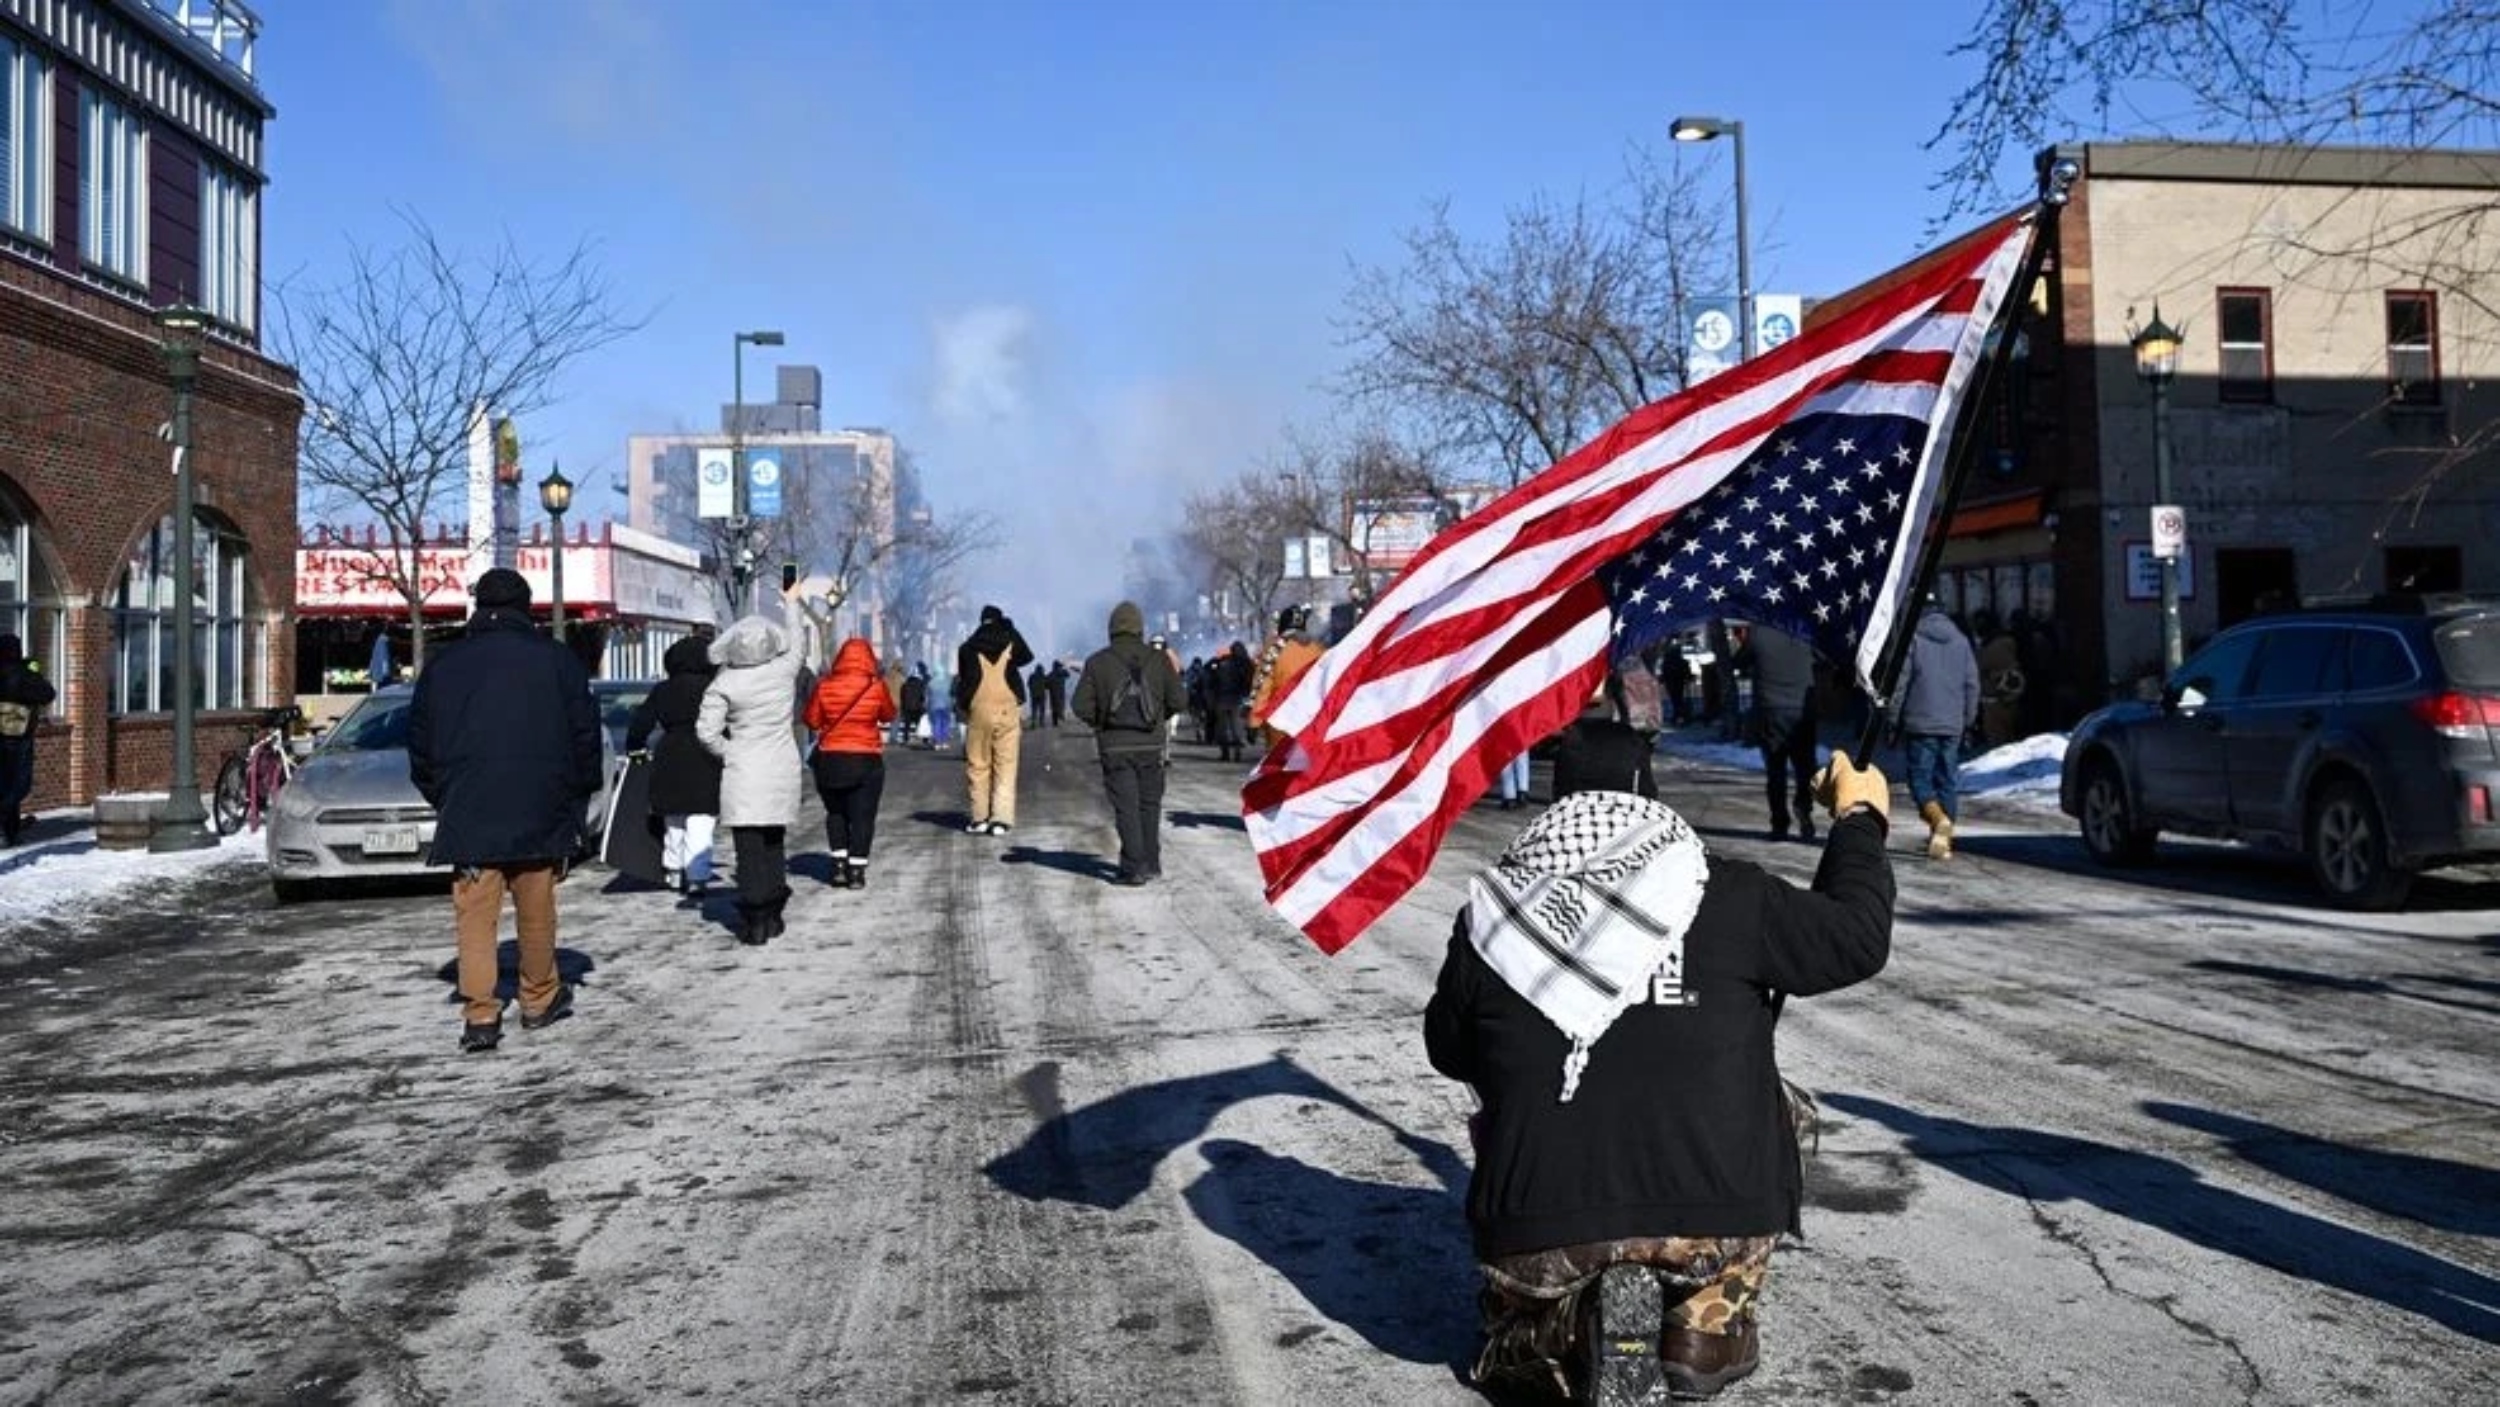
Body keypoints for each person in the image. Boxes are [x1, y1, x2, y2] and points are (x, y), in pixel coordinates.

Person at [1425, 756, 1896, 1401]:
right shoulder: (1729, 893)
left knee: (1519, 1327)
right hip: (1711, 1218)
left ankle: (1558, 1334)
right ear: (1653, 805)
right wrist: (1859, 817)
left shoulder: (1495, 917)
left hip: (1541, 1233)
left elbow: (1451, 1052)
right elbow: (1856, 937)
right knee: (1781, 1103)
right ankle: (1702, 1330)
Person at [407, 568, 602, 1054]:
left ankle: (480, 1015)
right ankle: (539, 999)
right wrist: (577, 794)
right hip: (541, 805)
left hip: (470, 808)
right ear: (525, 607)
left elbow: (421, 745)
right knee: (536, 911)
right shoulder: (557, 660)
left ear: (479, 608)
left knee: (475, 918)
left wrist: (444, 795)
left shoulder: (444, 665)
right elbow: (584, 736)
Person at [697, 616, 804, 944]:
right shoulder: (783, 672)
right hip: (780, 769)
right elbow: (798, 642)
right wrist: (791, 600)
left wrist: (730, 751)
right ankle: (773, 914)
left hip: (743, 771)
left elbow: (706, 732)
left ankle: (756, 917)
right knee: (774, 842)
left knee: (748, 847)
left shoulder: (724, 683)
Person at [1071, 601, 1188, 885]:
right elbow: (1178, 700)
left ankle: (1133, 867)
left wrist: (1102, 724)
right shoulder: (1158, 659)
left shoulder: (1097, 662)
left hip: (1115, 746)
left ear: (1111, 629)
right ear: (1139, 628)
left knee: (1126, 806)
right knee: (1150, 804)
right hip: (1151, 745)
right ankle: (1151, 862)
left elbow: (1079, 705)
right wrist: (1156, 720)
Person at [626, 636, 726, 895]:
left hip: (670, 755)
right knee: (701, 820)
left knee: (674, 818)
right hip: (706, 755)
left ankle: (673, 869)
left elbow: (641, 723)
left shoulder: (663, 689)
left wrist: (635, 748)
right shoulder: (714, 688)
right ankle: (697, 875)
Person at [803, 636, 898, 891]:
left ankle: (838, 866)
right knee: (863, 816)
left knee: (836, 813)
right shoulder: (875, 687)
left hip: (831, 759)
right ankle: (856, 871)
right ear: (869, 659)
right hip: (866, 759)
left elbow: (811, 720)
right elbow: (888, 715)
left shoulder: (824, 686)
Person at [1890, 595, 1982, 860]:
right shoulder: (1961, 641)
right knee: (1947, 780)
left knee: (1920, 779)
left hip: (1921, 721)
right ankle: (1944, 839)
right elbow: (1972, 684)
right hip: (1952, 723)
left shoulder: (1913, 639)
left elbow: (1901, 682)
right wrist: (1968, 719)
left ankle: (1938, 820)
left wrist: (1893, 718)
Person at [1735, 621, 1822, 841]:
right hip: (1802, 709)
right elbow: (1824, 658)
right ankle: (1804, 807)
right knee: (1805, 767)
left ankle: (1779, 824)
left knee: (1776, 771)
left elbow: (1740, 662)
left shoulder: (1758, 633)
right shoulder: (1804, 631)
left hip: (1770, 708)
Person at [955, 604, 1035, 835]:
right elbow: (1027, 656)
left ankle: (979, 818)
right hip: (1007, 708)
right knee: (1006, 765)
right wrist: (1010, 628)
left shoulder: (967, 647)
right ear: (1000, 621)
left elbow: (964, 680)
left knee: (978, 765)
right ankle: (1001, 819)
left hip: (979, 709)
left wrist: (964, 706)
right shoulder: (1009, 641)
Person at [1549, 675, 1658, 802]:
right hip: (1623, 807)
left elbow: (1560, 790)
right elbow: (1647, 790)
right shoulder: (1631, 739)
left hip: (1580, 807)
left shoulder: (1572, 740)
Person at [0, 633, 59, 846]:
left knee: (4, 784)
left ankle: (10, 832)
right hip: (17, 737)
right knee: (19, 784)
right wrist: (34, 673)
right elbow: (48, 694)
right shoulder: (23, 675)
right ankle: (6, 824)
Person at [1248, 605, 1324, 748]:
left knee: (1281, 760)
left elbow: (1262, 687)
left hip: (1280, 720)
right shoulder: (1318, 649)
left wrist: (1254, 722)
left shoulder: (1274, 650)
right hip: (1311, 720)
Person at [1210, 640, 1254, 763]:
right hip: (1238, 699)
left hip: (1222, 698)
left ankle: (1225, 753)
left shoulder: (1223, 663)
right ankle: (1237, 751)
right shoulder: (1247, 664)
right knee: (1237, 726)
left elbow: (1214, 680)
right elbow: (1250, 682)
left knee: (1222, 727)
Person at [898, 663, 930, 748]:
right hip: (917, 708)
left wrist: (903, 708)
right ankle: (925, 740)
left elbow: (902, 697)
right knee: (920, 724)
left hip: (907, 708)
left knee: (907, 725)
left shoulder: (905, 685)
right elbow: (922, 696)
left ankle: (905, 739)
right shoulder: (921, 684)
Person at [1046, 659, 1071, 728]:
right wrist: (1064, 667)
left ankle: (1055, 722)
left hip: (1053, 694)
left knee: (1054, 708)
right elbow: (1068, 675)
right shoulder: (1062, 673)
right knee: (1061, 705)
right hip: (1061, 693)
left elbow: (1046, 685)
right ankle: (1061, 717)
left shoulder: (1050, 674)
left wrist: (1050, 687)